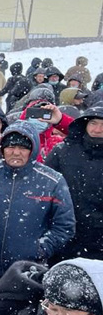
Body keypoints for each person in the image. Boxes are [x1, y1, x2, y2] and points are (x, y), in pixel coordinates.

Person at [0, 121, 76, 284]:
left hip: (28, 272)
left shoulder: (52, 181)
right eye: (11, 147)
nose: (16, 153)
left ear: (32, 150)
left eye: (23, 148)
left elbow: (65, 226)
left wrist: (40, 248)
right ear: (2, 149)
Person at [45, 106, 103, 260]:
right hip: (65, 236)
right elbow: (44, 187)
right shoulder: (63, 151)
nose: (97, 129)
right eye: (93, 123)